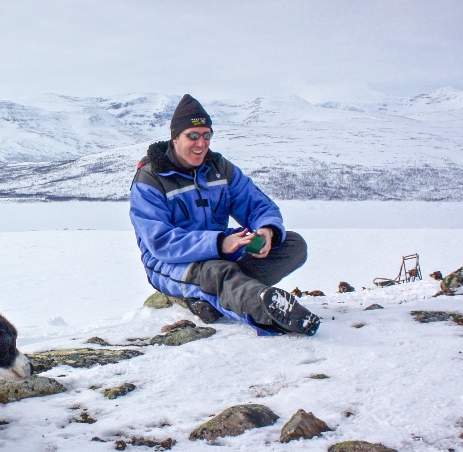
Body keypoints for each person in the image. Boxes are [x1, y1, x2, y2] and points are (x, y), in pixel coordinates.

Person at [129, 94, 320, 336]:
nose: (201, 143)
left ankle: (218, 294)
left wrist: (267, 230)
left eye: (206, 135)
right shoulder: (150, 179)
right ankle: (266, 311)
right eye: (193, 136)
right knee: (217, 272)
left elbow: (257, 204)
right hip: (168, 262)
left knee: (292, 244)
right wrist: (219, 243)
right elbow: (160, 241)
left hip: (218, 249)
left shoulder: (219, 168)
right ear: (175, 137)